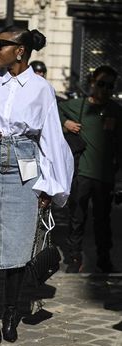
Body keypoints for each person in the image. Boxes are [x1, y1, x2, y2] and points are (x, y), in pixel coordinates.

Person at [0, 25, 74, 344]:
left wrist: (50, 187)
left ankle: (11, 314)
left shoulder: (41, 89)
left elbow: (51, 137)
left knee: (17, 245)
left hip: (26, 166)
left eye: (2, 45)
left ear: (20, 51)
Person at [58, 65, 122, 273]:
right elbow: (51, 111)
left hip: (105, 176)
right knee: (77, 218)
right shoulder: (79, 105)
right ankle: (75, 258)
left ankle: (104, 259)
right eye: (101, 84)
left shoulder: (116, 110)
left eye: (109, 86)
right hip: (83, 173)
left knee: (103, 221)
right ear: (92, 82)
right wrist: (65, 122)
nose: (105, 89)